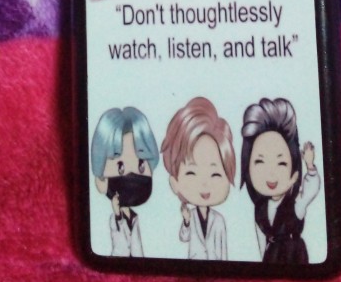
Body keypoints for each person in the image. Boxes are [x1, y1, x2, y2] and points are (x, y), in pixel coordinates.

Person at [240, 97, 321, 264]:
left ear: (294, 172)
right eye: (260, 162)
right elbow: (261, 241)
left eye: (281, 163)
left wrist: (310, 166)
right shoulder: (260, 209)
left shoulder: (295, 205)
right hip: (270, 258)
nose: (271, 173)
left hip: (294, 257)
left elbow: (311, 190)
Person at [160, 98, 236, 260]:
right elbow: (184, 237)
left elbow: (223, 251)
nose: (204, 184)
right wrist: (186, 221)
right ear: (175, 182)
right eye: (191, 173)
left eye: (215, 174)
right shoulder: (192, 216)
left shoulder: (219, 220)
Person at [90, 107, 159, 257]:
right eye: (120, 167)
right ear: (101, 180)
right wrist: (117, 214)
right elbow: (119, 246)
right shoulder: (113, 219)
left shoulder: (135, 218)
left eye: (141, 165)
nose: (132, 175)